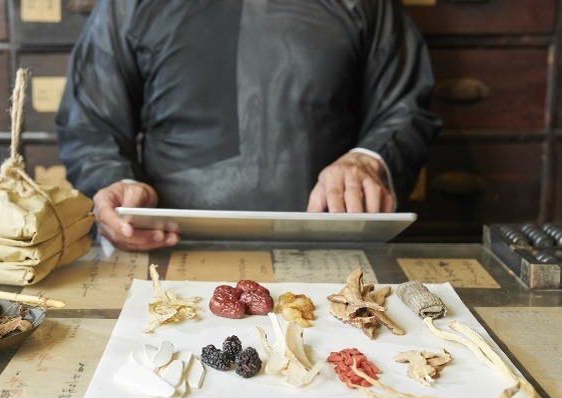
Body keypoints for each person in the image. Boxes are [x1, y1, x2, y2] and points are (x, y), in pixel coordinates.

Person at [55, 0, 441, 251]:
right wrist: (114, 182)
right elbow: (91, 123)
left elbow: (404, 107)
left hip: (327, 250)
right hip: (166, 250)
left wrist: (367, 160)